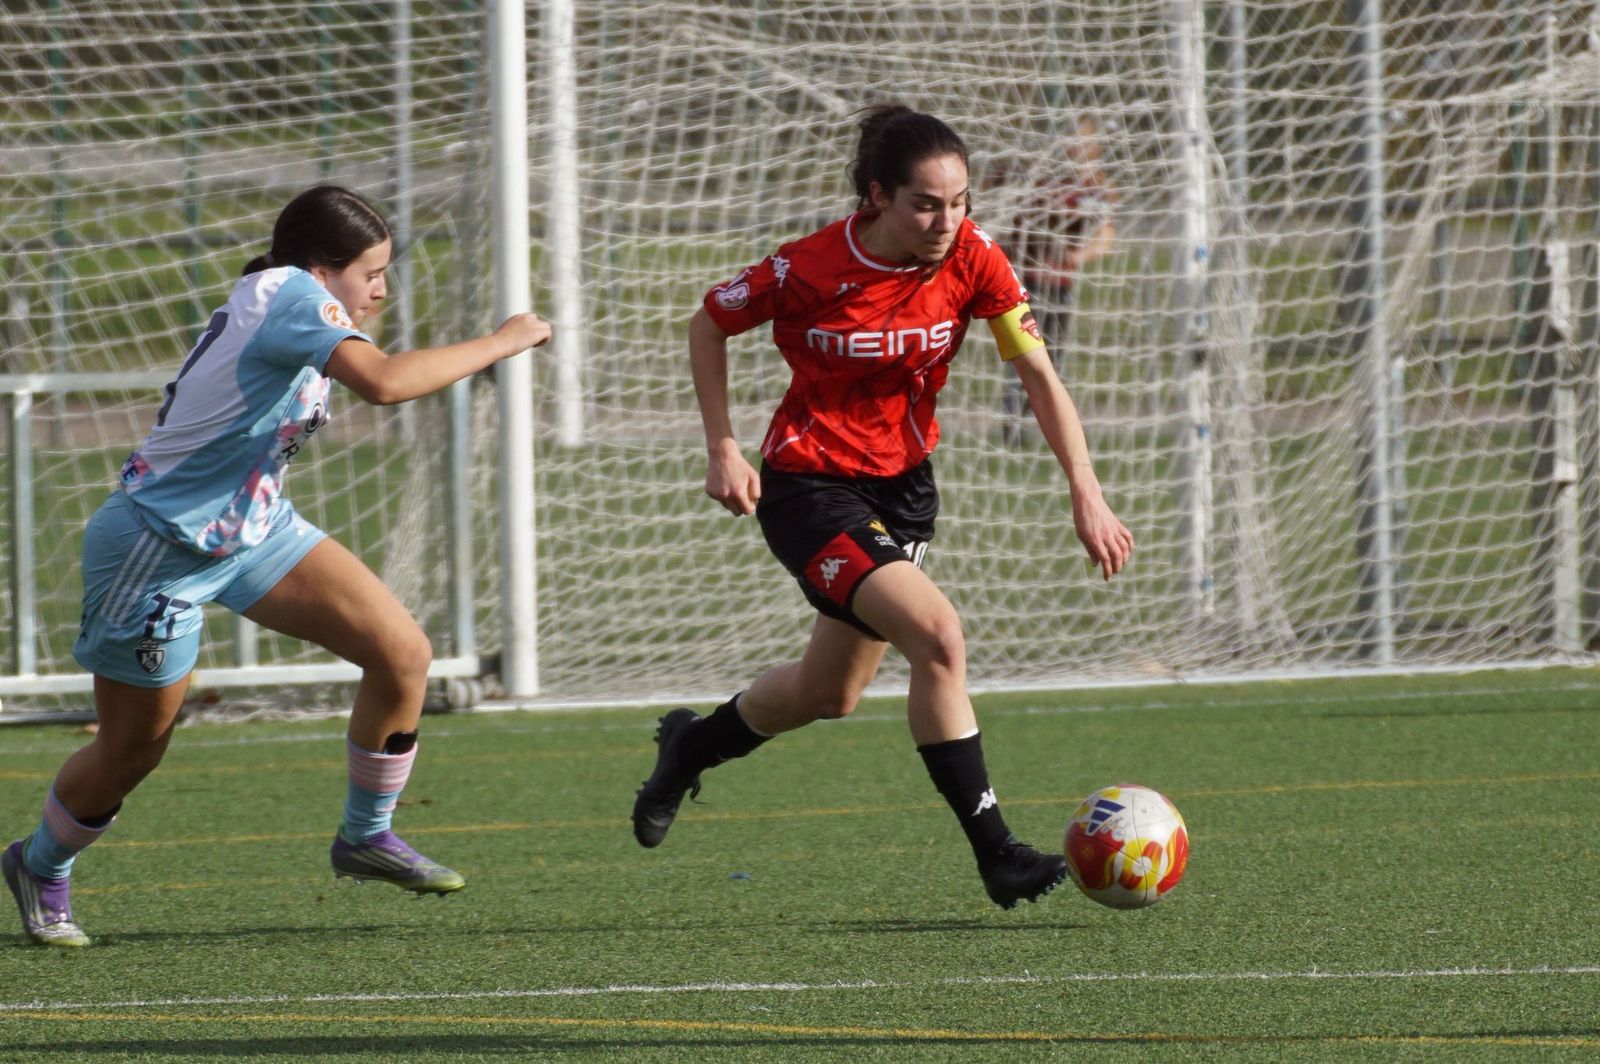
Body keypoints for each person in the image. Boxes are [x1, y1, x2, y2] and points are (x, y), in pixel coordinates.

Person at [2, 185, 551, 947]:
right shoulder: (292, 294)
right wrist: (505, 339)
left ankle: (365, 837)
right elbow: (386, 385)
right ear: (324, 269)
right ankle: (39, 862)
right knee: (132, 751)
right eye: (373, 271)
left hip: (254, 533)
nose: (382, 288)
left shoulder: (291, 298)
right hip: (157, 548)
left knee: (402, 654)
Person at [631, 106, 1134, 909]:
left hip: (902, 491)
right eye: (926, 203)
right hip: (808, 486)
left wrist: (1087, 490)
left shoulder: (975, 259)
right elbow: (708, 322)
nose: (946, 221)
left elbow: (1038, 373)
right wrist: (722, 446)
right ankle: (998, 854)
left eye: (960, 200)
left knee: (827, 696)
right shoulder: (808, 268)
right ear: (877, 197)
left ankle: (690, 748)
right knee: (939, 635)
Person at [998, 115, 1117, 445]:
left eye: (1083, 141)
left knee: (1053, 358)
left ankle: (1045, 429)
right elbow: (1008, 215)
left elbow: (1107, 234)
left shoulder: (1095, 188)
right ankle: (1013, 427)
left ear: (1093, 148)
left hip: (1060, 284)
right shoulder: (1039, 180)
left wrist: (1080, 256)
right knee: (1021, 355)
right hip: (1024, 283)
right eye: (1070, 140)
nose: (1074, 147)